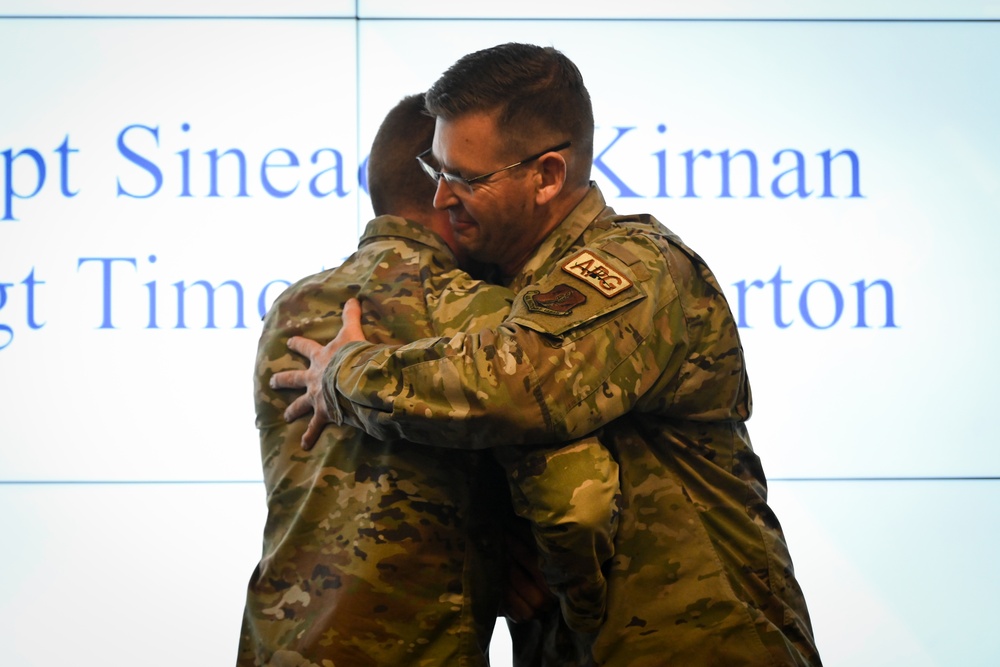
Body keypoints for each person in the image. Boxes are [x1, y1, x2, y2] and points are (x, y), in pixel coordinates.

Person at [274, 43, 823, 666]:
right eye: (437, 171)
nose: (441, 201)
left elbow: (514, 385)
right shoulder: (508, 289)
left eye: (466, 179)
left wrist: (344, 375)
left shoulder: (634, 268)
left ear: (548, 176)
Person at [238, 92, 620, 667]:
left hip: (277, 645)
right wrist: (569, 595)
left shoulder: (291, 310)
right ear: (451, 194)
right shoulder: (487, 314)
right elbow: (576, 502)